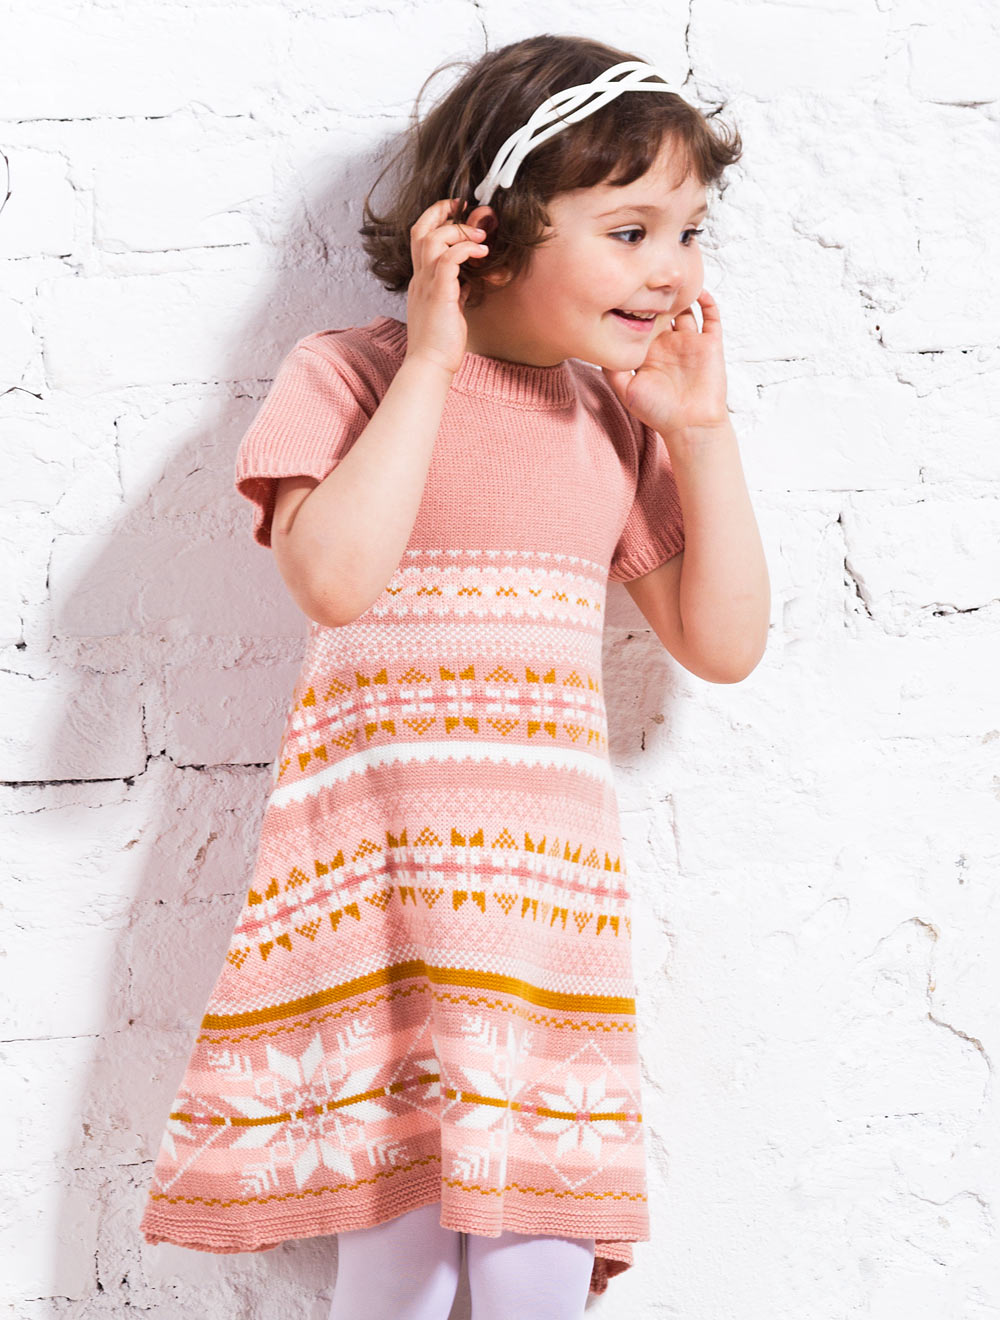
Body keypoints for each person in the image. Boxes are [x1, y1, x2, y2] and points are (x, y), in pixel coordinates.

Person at [138, 32, 769, 1319]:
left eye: (688, 233)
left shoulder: (612, 419)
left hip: (539, 907)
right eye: (630, 232)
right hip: (375, 886)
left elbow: (724, 642)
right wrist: (429, 358)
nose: (671, 270)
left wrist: (699, 434)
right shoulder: (352, 373)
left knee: (537, 1247)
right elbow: (332, 580)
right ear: (489, 225)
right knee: (401, 1262)